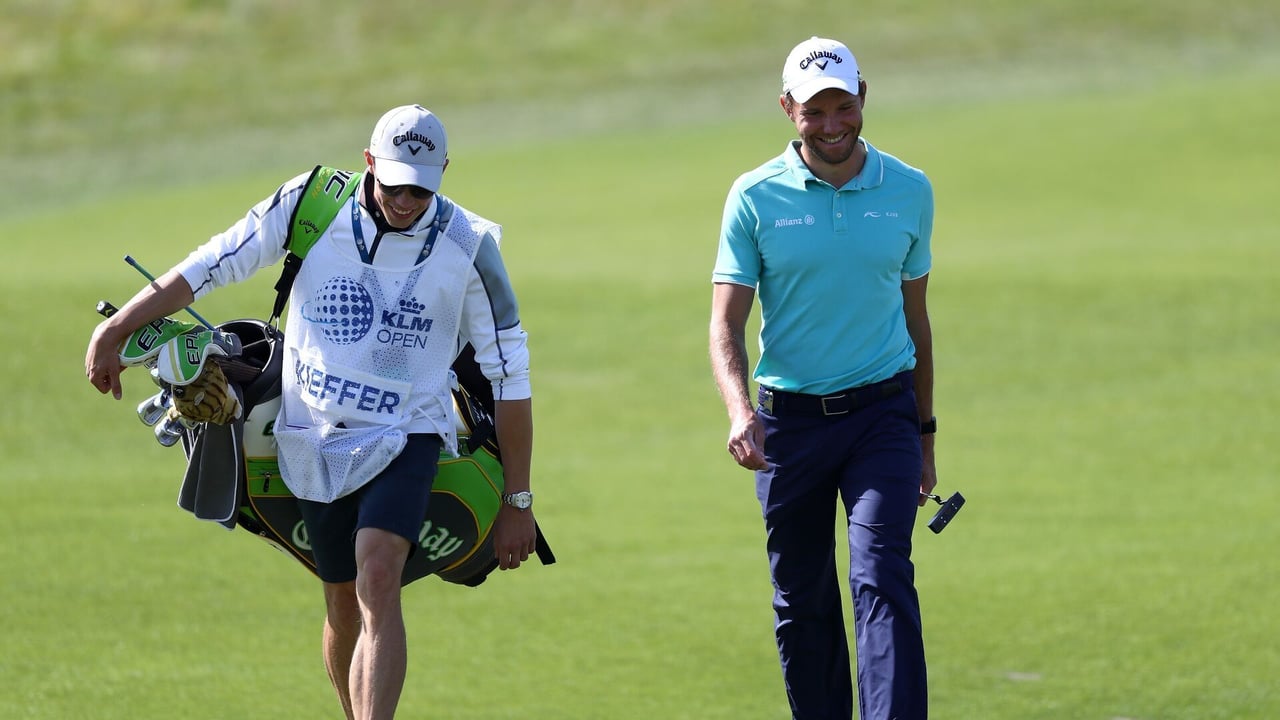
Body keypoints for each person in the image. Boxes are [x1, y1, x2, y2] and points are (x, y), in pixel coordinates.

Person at [85, 104, 539, 720]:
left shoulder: (471, 246)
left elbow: (511, 373)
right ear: (369, 162)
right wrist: (116, 328)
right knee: (343, 602)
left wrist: (518, 500)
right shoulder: (310, 203)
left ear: (443, 173)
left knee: (378, 576)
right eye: (393, 184)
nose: (405, 201)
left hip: (407, 434)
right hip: (310, 433)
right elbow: (214, 262)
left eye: (420, 189)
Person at [709, 37, 937, 720]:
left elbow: (917, 321)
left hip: (882, 416)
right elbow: (725, 324)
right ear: (788, 109)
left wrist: (925, 435)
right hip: (788, 425)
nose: (832, 125)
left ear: (863, 96)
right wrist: (739, 410)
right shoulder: (754, 197)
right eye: (814, 111)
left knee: (882, 575)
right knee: (801, 600)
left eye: (843, 106)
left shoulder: (910, 190)